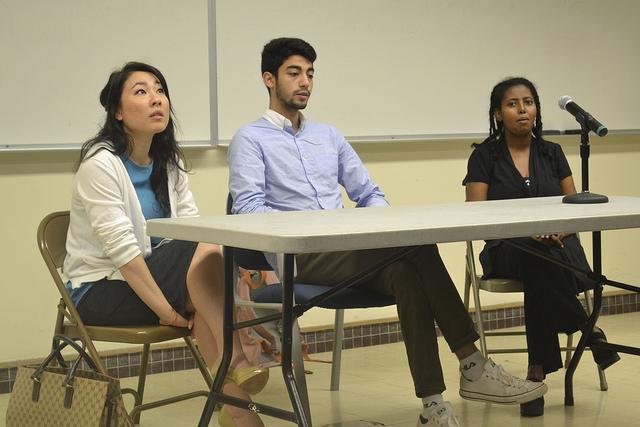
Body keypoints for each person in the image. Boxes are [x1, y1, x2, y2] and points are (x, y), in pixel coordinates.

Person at [228, 38, 547, 427]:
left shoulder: (328, 136)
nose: (305, 82)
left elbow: (369, 194)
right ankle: (474, 365)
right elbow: (248, 211)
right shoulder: (250, 138)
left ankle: (433, 406)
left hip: (351, 248)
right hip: (301, 255)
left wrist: (377, 227)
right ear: (268, 79)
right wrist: (313, 230)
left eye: (310, 74)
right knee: (416, 248)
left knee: (407, 270)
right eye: (294, 73)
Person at [63, 62, 267, 427]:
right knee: (206, 257)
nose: (157, 99)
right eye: (141, 91)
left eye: (160, 90)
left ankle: (240, 412)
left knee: (204, 274)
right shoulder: (101, 166)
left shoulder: (167, 163)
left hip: (153, 280)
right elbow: (125, 256)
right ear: (118, 112)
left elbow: (188, 229)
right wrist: (168, 313)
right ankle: (236, 363)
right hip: (98, 290)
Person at [463, 77, 621, 417]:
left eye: (529, 102)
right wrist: (527, 234)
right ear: (497, 114)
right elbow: (475, 218)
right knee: (537, 258)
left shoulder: (553, 153)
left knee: (542, 264)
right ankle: (588, 329)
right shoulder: (484, 157)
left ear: (537, 109)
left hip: (559, 246)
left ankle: (536, 375)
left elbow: (574, 206)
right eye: (512, 104)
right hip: (507, 249)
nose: (522, 109)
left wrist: (558, 232)